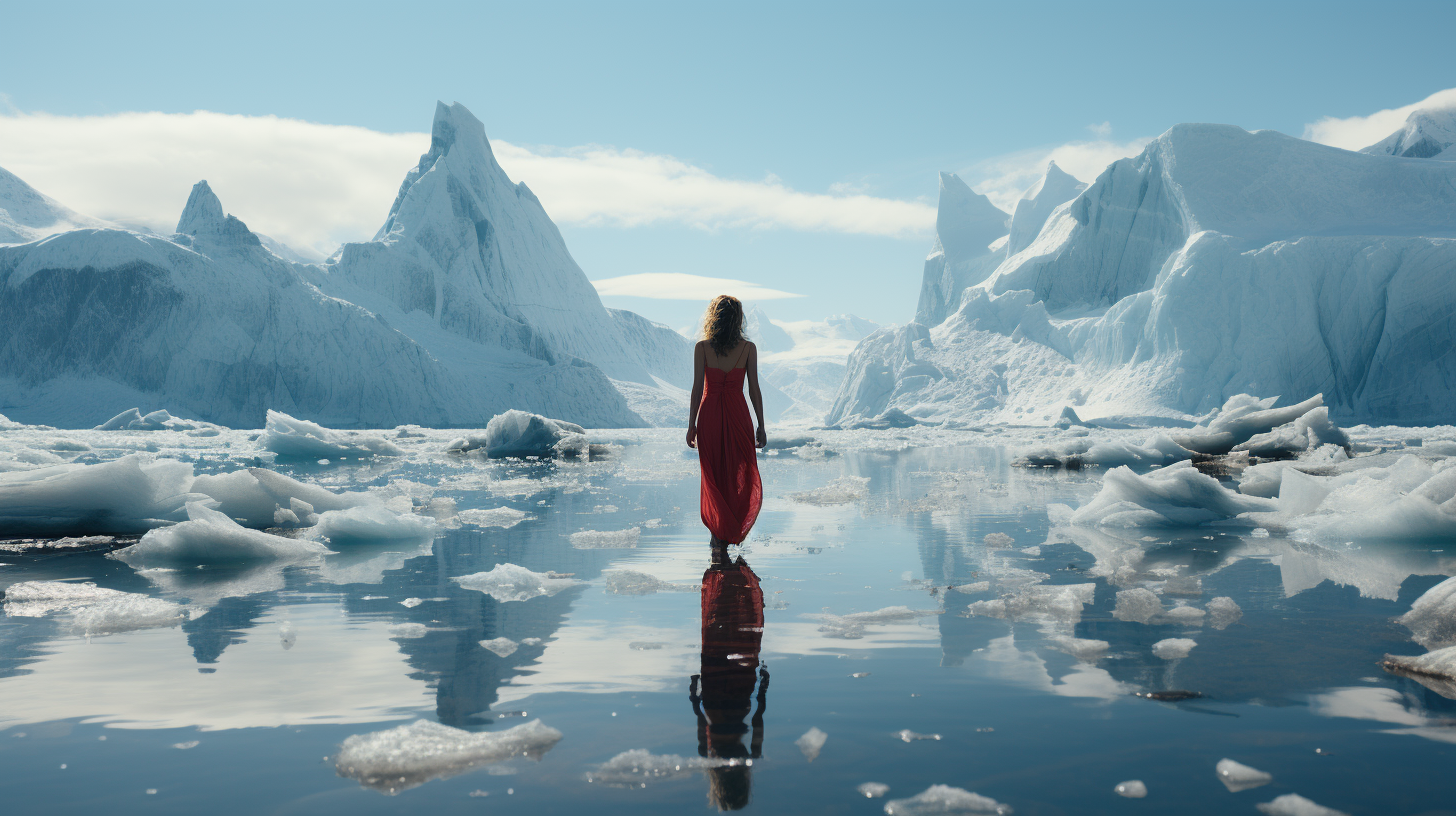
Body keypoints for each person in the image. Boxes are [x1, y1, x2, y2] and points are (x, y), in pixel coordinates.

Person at [689, 546, 768, 811]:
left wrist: (762, 688)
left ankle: (729, 566)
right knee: (715, 629)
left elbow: (758, 716)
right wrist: (694, 692)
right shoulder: (707, 754)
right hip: (712, 695)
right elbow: (700, 717)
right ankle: (719, 556)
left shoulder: (751, 757)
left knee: (738, 631)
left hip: (740, 693)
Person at [686, 295, 765, 545]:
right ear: (738, 319)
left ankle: (718, 533)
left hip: (709, 415)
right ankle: (728, 528)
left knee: (713, 473)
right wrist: (761, 425)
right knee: (737, 472)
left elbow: (698, 388)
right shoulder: (748, 348)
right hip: (739, 414)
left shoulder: (702, 347)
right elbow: (754, 389)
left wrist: (692, 424)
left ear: (714, 317)